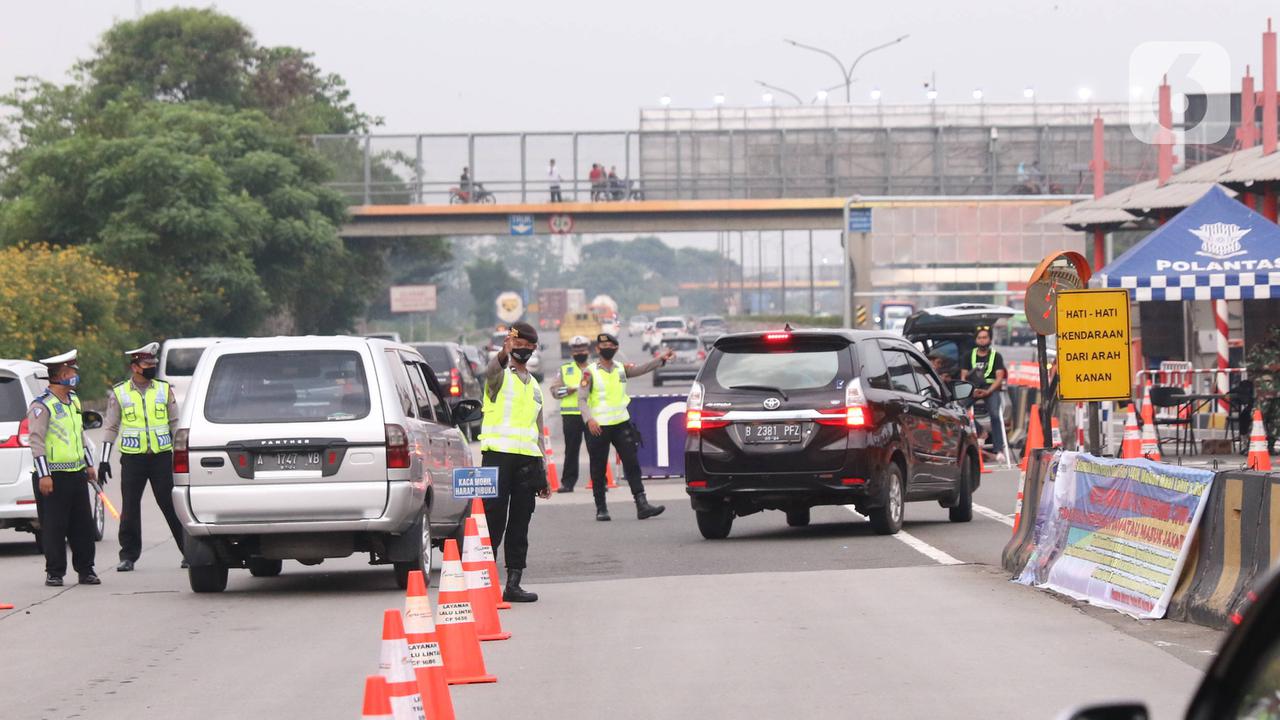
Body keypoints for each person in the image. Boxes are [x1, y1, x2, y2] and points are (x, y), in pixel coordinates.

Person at [480, 322, 551, 603]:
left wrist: (542, 470)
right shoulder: (499, 378)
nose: (521, 351)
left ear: (533, 349)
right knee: (493, 519)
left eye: (526, 347)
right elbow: (490, 372)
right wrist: (502, 352)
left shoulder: (534, 385)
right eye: (516, 347)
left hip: (527, 461)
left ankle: (513, 583)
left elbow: (539, 430)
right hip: (497, 456)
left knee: (521, 522)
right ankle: (483, 581)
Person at [100, 342, 185, 572]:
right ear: (135, 367)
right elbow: (111, 427)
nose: (152, 367)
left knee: (171, 504)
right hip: (133, 459)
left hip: (161, 457)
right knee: (130, 507)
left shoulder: (163, 389)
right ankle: (128, 555)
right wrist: (104, 459)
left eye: (153, 363)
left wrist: (182, 454)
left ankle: (188, 550)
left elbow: (175, 425)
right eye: (147, 364)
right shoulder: (120, 393)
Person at [577, 332, 674, 521]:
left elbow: (641, 369)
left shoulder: (621, 368)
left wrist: (660, 360)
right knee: (598, 468)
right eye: (603, 347)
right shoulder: (589, 372)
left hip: (621, 423)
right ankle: (601, 508)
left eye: (610, 347)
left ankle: (642, 504)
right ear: (597, 349)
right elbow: (581, 398)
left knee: (632, 464)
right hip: (599, 426)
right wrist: (589, 419)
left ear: (616, 349)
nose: (607, 349)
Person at [28, 349, 100, 587]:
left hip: (76, 473)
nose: (74, 376)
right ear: (58, 375)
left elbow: (79, 435)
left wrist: (89, 464)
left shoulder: (74, 401)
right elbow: (36, 441)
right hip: (54, 475)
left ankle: (86, 569)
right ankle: (55, 572)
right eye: (70, 372)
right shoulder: (42, 406)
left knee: (83, 525)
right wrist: (44, 474)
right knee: (54, 526)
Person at [548, 335, 591, 493]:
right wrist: (568, 390)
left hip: (590, 416)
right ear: (572, 352)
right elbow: (554, 391)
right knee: (571, 450)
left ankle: (600, 480)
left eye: (582, 349)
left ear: (588, 350)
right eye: (576, 350)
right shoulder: (564, 370)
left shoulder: (594, 368)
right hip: (571, 416)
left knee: (596, 449)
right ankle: (568, 483)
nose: (580, 352)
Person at [961, 326, 1008, 462]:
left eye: (985, 337)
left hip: (990, 388)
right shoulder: (968, 355)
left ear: (990, 339)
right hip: (973, 389)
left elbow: (999, 377)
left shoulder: (996, 356)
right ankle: (981, 431)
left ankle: (998, 450)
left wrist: (988, 391)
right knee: (960, 410)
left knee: (994, 414)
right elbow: (963, 376)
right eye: (980, 338)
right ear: (976, 340)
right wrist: (971, 390)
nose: (982, 340)